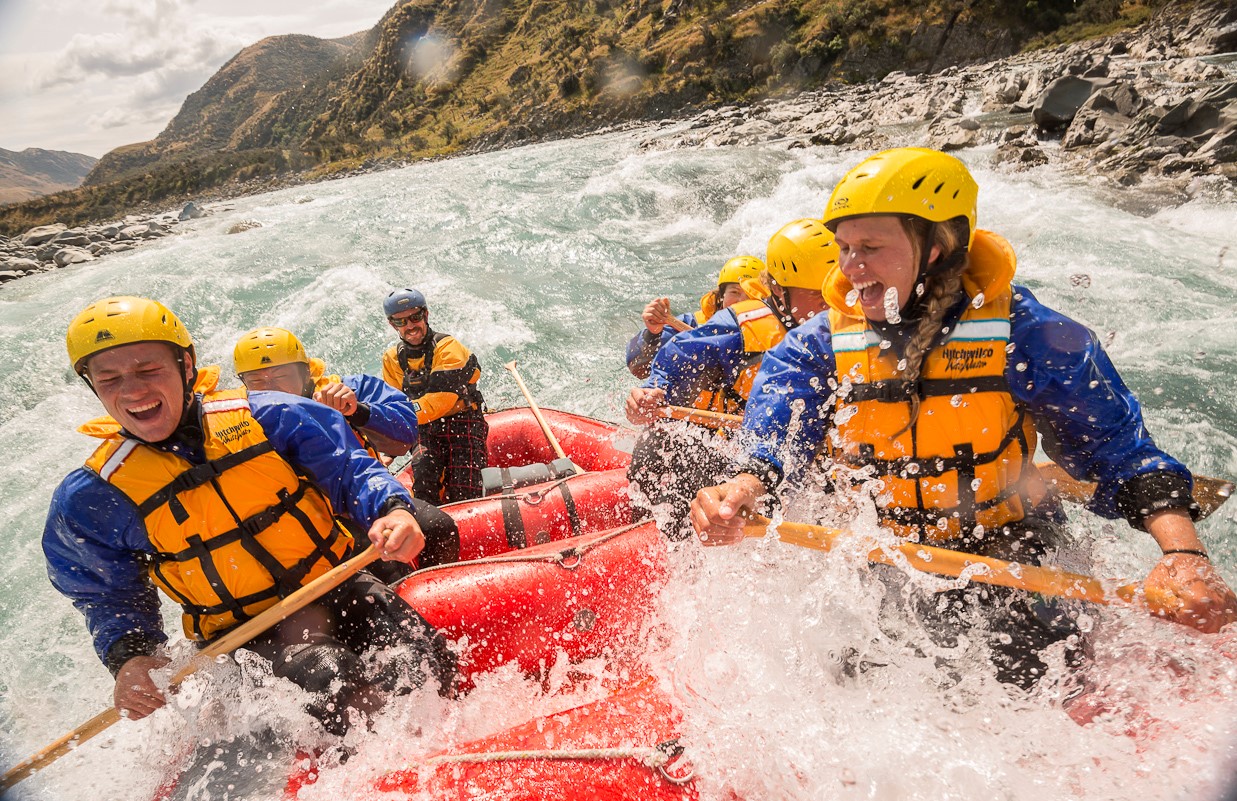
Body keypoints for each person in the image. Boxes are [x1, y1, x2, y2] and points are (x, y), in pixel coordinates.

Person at [690, 148, 1237, 688]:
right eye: (845, 248)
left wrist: (1182, 552)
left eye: (871, 248)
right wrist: (745, 485)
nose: (851, 267)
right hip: (882, 546)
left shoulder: (1028, 334)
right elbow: (777, 434)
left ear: (936, 247)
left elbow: (1119, 451)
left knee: (1029, 664)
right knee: (852, 672)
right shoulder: (815, 346)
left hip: (1009, 539)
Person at [44, 297, 457, 737]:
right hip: (246, 636)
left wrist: (392, 508)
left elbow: (350, 469)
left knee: (424, 658)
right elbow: (105, 593)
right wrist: (130, 655)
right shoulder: (94, 496)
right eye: (109, 379)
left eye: (148, 370)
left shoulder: (270, 415)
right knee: (331, 677)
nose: (132, 391)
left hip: (338, 585)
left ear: (186, 365)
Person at [624, 220, 836, 540]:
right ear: (780, 291)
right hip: (721, 449)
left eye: (834, 291)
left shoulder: (840, 326)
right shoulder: (737, 327)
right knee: (672, 448)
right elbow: (675, 360)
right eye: (819, 296)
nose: (829, 305)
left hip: (782, 455)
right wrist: (654, 391)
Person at [234, 325, 461, 579]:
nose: (271, 388)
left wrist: (358, 410)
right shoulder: (244, 422)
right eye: (257, 381)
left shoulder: (349, 388)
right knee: (387, 568)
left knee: (439, 527)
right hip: (306, 517)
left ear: (305, 372)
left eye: (281, 376)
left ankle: (436, 586)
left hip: (364, 496)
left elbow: (407, 430)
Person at [380, 289, 488, 504]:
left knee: (465, 490)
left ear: (426, 315)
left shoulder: (448, 348)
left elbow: (437, 403)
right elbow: (393, 404)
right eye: (401, 321)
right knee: (424, 479)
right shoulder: (392, 359)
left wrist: (401, 413)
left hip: (463, 421)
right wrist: (388, 450)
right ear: (393, 325)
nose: (410, 326)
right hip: (425, 428)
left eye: (415, 317)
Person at [625, 255, 766, 379]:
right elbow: (638, 369)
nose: (741, 302)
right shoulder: (693, 323)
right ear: (721, 296)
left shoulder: (771, 332)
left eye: (751, 295)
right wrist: (653, 335)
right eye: (734, 292)